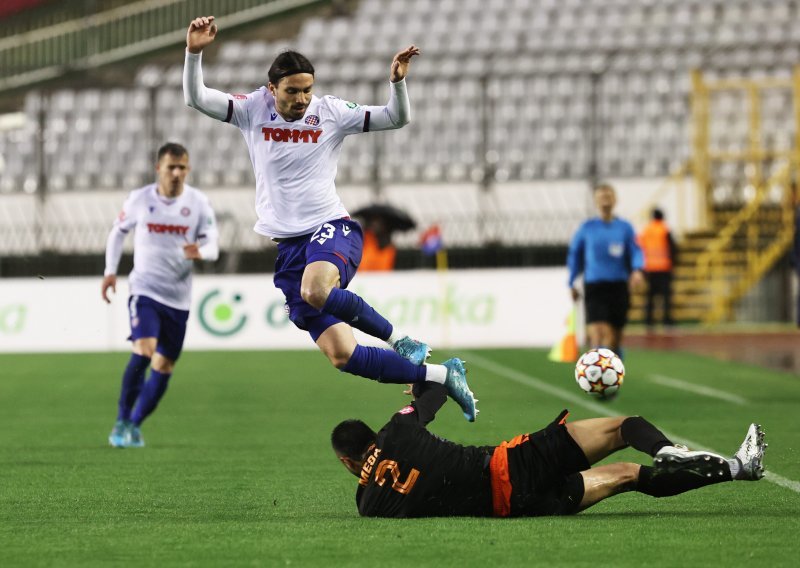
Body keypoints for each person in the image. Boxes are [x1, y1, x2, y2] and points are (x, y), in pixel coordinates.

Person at [182, 16, 477, 421]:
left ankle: (401, 339)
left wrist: (397, 82)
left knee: (316, 290)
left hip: (331, 229)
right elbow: (197, 98)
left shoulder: (331, 112)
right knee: (342, 355)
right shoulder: (252, 110)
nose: (301, 99)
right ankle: (443, 375)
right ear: (272, 89)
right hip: (289, 249)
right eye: (292, 91)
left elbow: (396, 118)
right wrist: (194, 53)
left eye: (307, 90)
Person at [331, 381, 767, 518]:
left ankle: (739, 467)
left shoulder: (368, 504)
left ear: (347, 462)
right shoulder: (396, 430)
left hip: (517, 506)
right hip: (512, 465)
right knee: (623, 427)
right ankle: (669, 449)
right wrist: (419, 384)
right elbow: (439, 389)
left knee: (627, 477)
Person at [102, 142, 219, 448]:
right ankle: (121, 419)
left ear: (188, 169)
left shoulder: (198, 203)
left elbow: (213, 244)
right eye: (171, 167)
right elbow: (118, 232)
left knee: (164, 366)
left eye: (182, 167)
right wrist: (110, 272)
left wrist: (201, 252)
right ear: (159, 169)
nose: (177, 173)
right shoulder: (140, 199)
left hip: (178, 298)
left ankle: (134, 425)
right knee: (144, 349)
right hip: (145, 289)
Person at [567, 183, 645, 357]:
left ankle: (612, 365)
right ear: (596, 202)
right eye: (602, 198)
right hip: (595, 285)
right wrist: (571, 282)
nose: (605, 201)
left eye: (608, 197)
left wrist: (638, 270)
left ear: (615, 200)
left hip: (618, 285)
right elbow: (575, 255)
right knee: (598, 331)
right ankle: (596, 375)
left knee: (614, 336)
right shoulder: (587, 228)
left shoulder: (624, 228)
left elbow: (635, 251)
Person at [638, 208, 677, 330]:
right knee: (666, 297)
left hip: (649, 268)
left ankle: (649, 322)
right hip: (664, 267)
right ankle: (666, 321)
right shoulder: (664, 229)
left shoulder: (646, 230)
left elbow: (640, 248)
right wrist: (673, 263)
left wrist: (642, 267)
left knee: (650, 297)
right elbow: (672, 248)